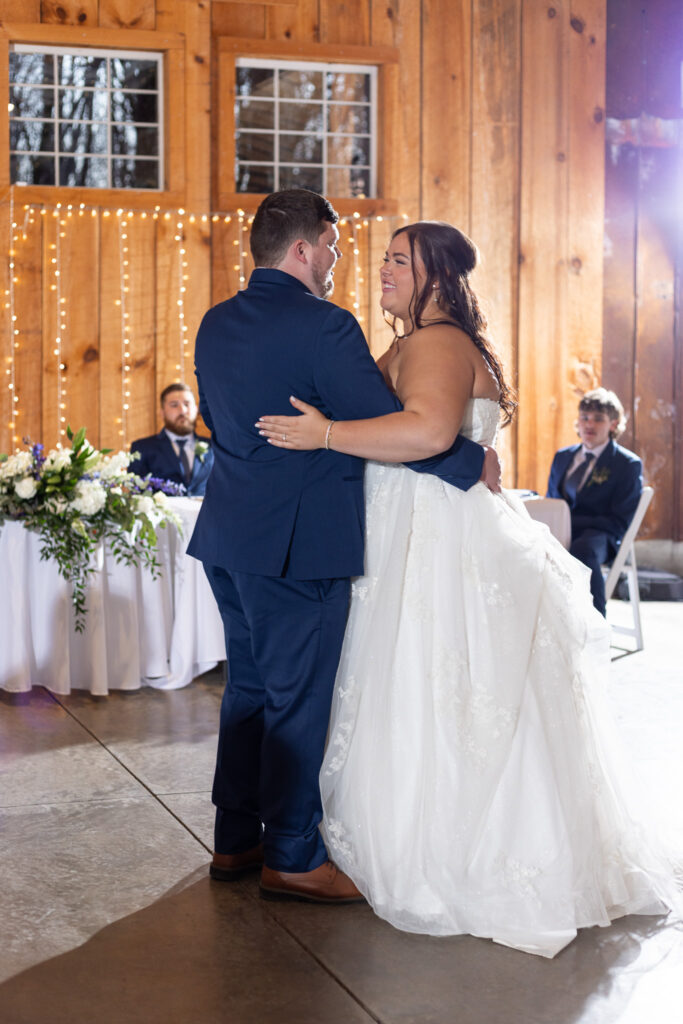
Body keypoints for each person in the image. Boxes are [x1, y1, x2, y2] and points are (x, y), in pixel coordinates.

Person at [257, 220, 680, 956]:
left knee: (432, 678)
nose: (382, 269)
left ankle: (445, 848)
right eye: (384, 257)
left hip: (435, 539)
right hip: (407, 528)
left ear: (437, 277)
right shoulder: (418, 339)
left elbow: (423, 434)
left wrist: (325, 435)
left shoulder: (437, 342)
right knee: (412, 681)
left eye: (398, 260)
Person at [186, 190, 500, 905]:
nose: (336, 260)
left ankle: (235, 839)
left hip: (228, 536)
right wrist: (468, 464)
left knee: (250, 694)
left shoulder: (216, 322)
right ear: (301, 250)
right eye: (329, 246)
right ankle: (293, 855)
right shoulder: (325, 327)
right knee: (297, 702)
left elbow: (213, 417)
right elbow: (385, 420)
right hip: (299, 546)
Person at [546, 389, 643, 615]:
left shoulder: (626, 464)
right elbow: (553, 501)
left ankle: (594, 625)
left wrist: (574, 524)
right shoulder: (563, 457)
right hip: (561, 530)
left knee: (583, 549)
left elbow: (619, 520)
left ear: (613, 424)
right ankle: (551, 620)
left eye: (598, 419)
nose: (589, 424)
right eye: (585, 417)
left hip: (601, 535)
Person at [130, 383, 214, 496]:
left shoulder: (213, 447)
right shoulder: (142, 448)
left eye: (187, 404)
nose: (182, 410)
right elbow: (136, 492)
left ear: (195, 409)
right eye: (174, 405)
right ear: (162, 413)